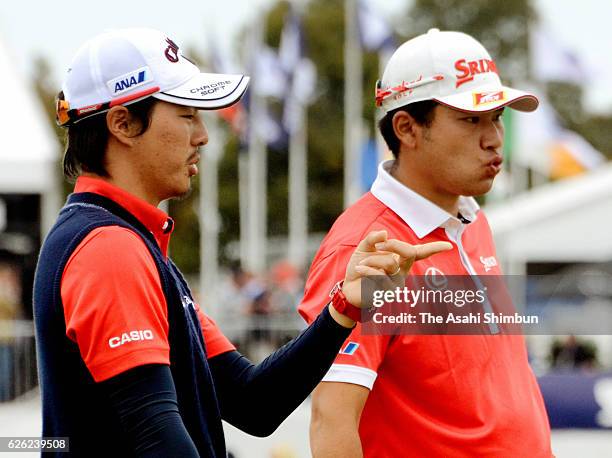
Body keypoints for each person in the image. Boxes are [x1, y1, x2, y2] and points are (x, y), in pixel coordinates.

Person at [32, 28, 450, 457]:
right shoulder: (109, 247)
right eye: (186, 114)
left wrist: (343, 308)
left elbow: (255, 403)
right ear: (122, 123)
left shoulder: (123, 241)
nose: (203, 136)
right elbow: (155, 437)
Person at [299, 29, 554, 457]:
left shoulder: (472, 219)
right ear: (407, 129)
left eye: (496, 117)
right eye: (471, 119)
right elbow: (332, 420)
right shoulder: (367, 248)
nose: (493, 137)